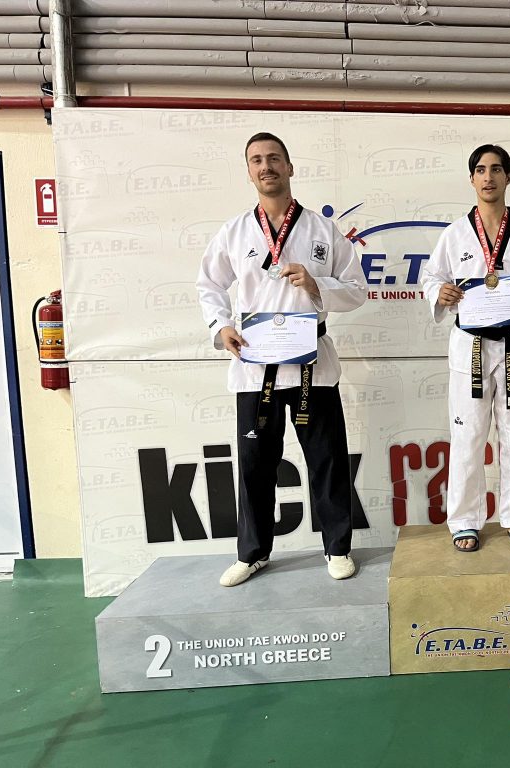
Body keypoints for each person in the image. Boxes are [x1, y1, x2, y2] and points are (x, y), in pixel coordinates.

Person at [197, 132, 367, 587]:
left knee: (327, 460)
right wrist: (219, 327)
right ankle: (253, 553)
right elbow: (208, 284)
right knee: (255, 464)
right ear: (248, 172)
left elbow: (357, 290)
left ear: (289, 167)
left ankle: (337, 548)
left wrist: (316, 284)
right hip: (256, 366)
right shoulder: (235, 232)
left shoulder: (322, 231)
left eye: (274, 158)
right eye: (256, 160)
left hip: (313, 364)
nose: (265, 166)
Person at [421, 144, 510, 552]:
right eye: (480, 170)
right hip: (472, 346)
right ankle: (464, 520)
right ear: (471, 179)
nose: (488, 177)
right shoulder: (454, 235)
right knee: (467, 437)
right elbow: (431, 278)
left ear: (508, 177)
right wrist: (440, 292)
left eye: (496, 169)